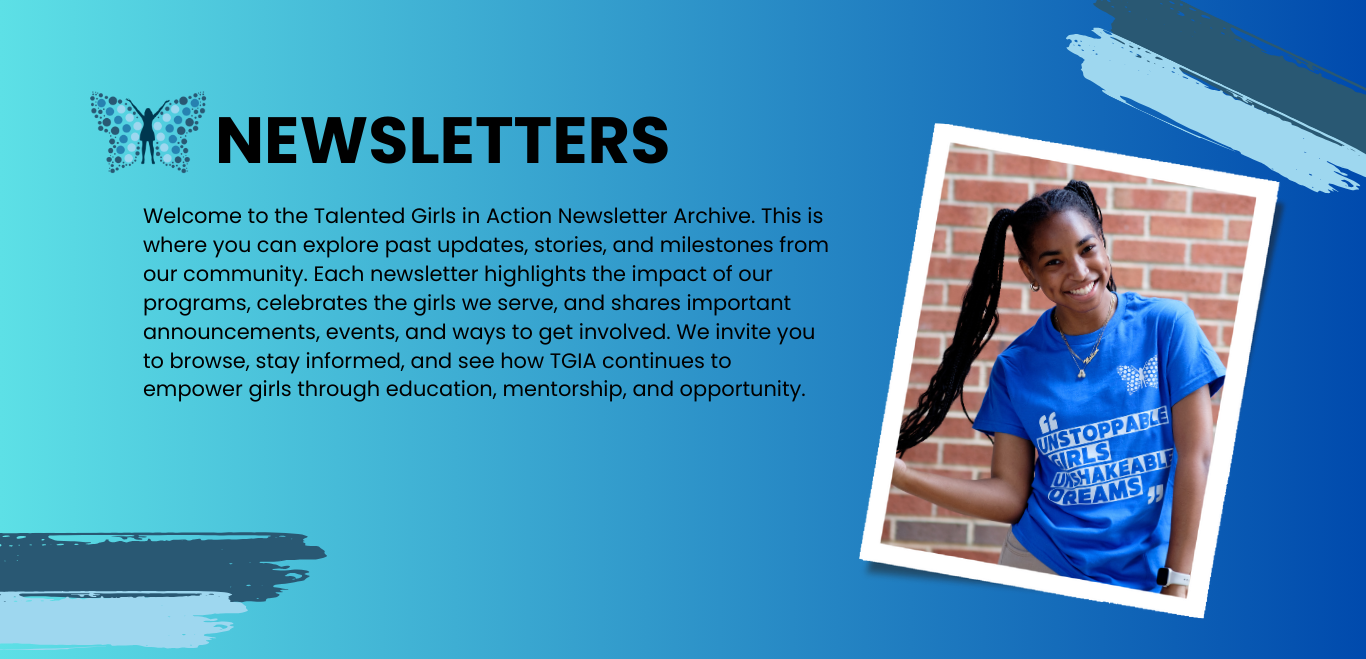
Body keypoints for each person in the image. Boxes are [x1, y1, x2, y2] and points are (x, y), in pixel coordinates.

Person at [892, 181, 1224, 597]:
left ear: (1103, 244)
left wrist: (1177, 582)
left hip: (1152, 575)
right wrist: (901, 476)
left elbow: (1198, 458)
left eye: (1087, 249)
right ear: (1029, 273)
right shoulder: (1016, 367)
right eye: (1053, 261)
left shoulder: (1167, 327)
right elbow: (1010, 495)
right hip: (1042, 564)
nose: (1079, 271)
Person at [126, 99, 169, 165]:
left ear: (145, 113)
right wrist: (164, 103)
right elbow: (159, 111)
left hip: (144, 132)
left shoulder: (144, 118)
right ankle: (152, 159)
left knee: (144, 146)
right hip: (149, 132)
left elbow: (137, 110)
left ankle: (144, 159)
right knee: (151, 146)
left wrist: (131, 102)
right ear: (150, 112)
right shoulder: (151, 118)